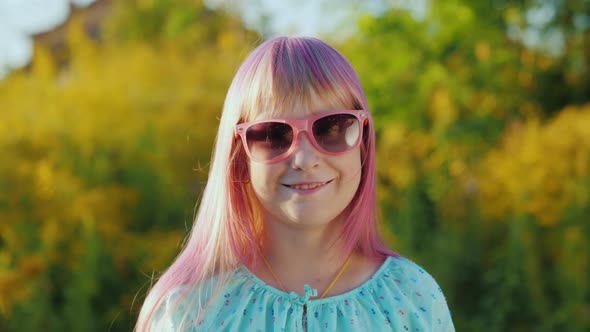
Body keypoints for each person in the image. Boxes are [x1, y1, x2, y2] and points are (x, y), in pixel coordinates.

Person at [135, 36, 455, 331]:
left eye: (331, 128)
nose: (304, 158)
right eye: (273, 134)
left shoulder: (412, 299)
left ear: (364, 142)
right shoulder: (191, 312)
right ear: (238, 155)